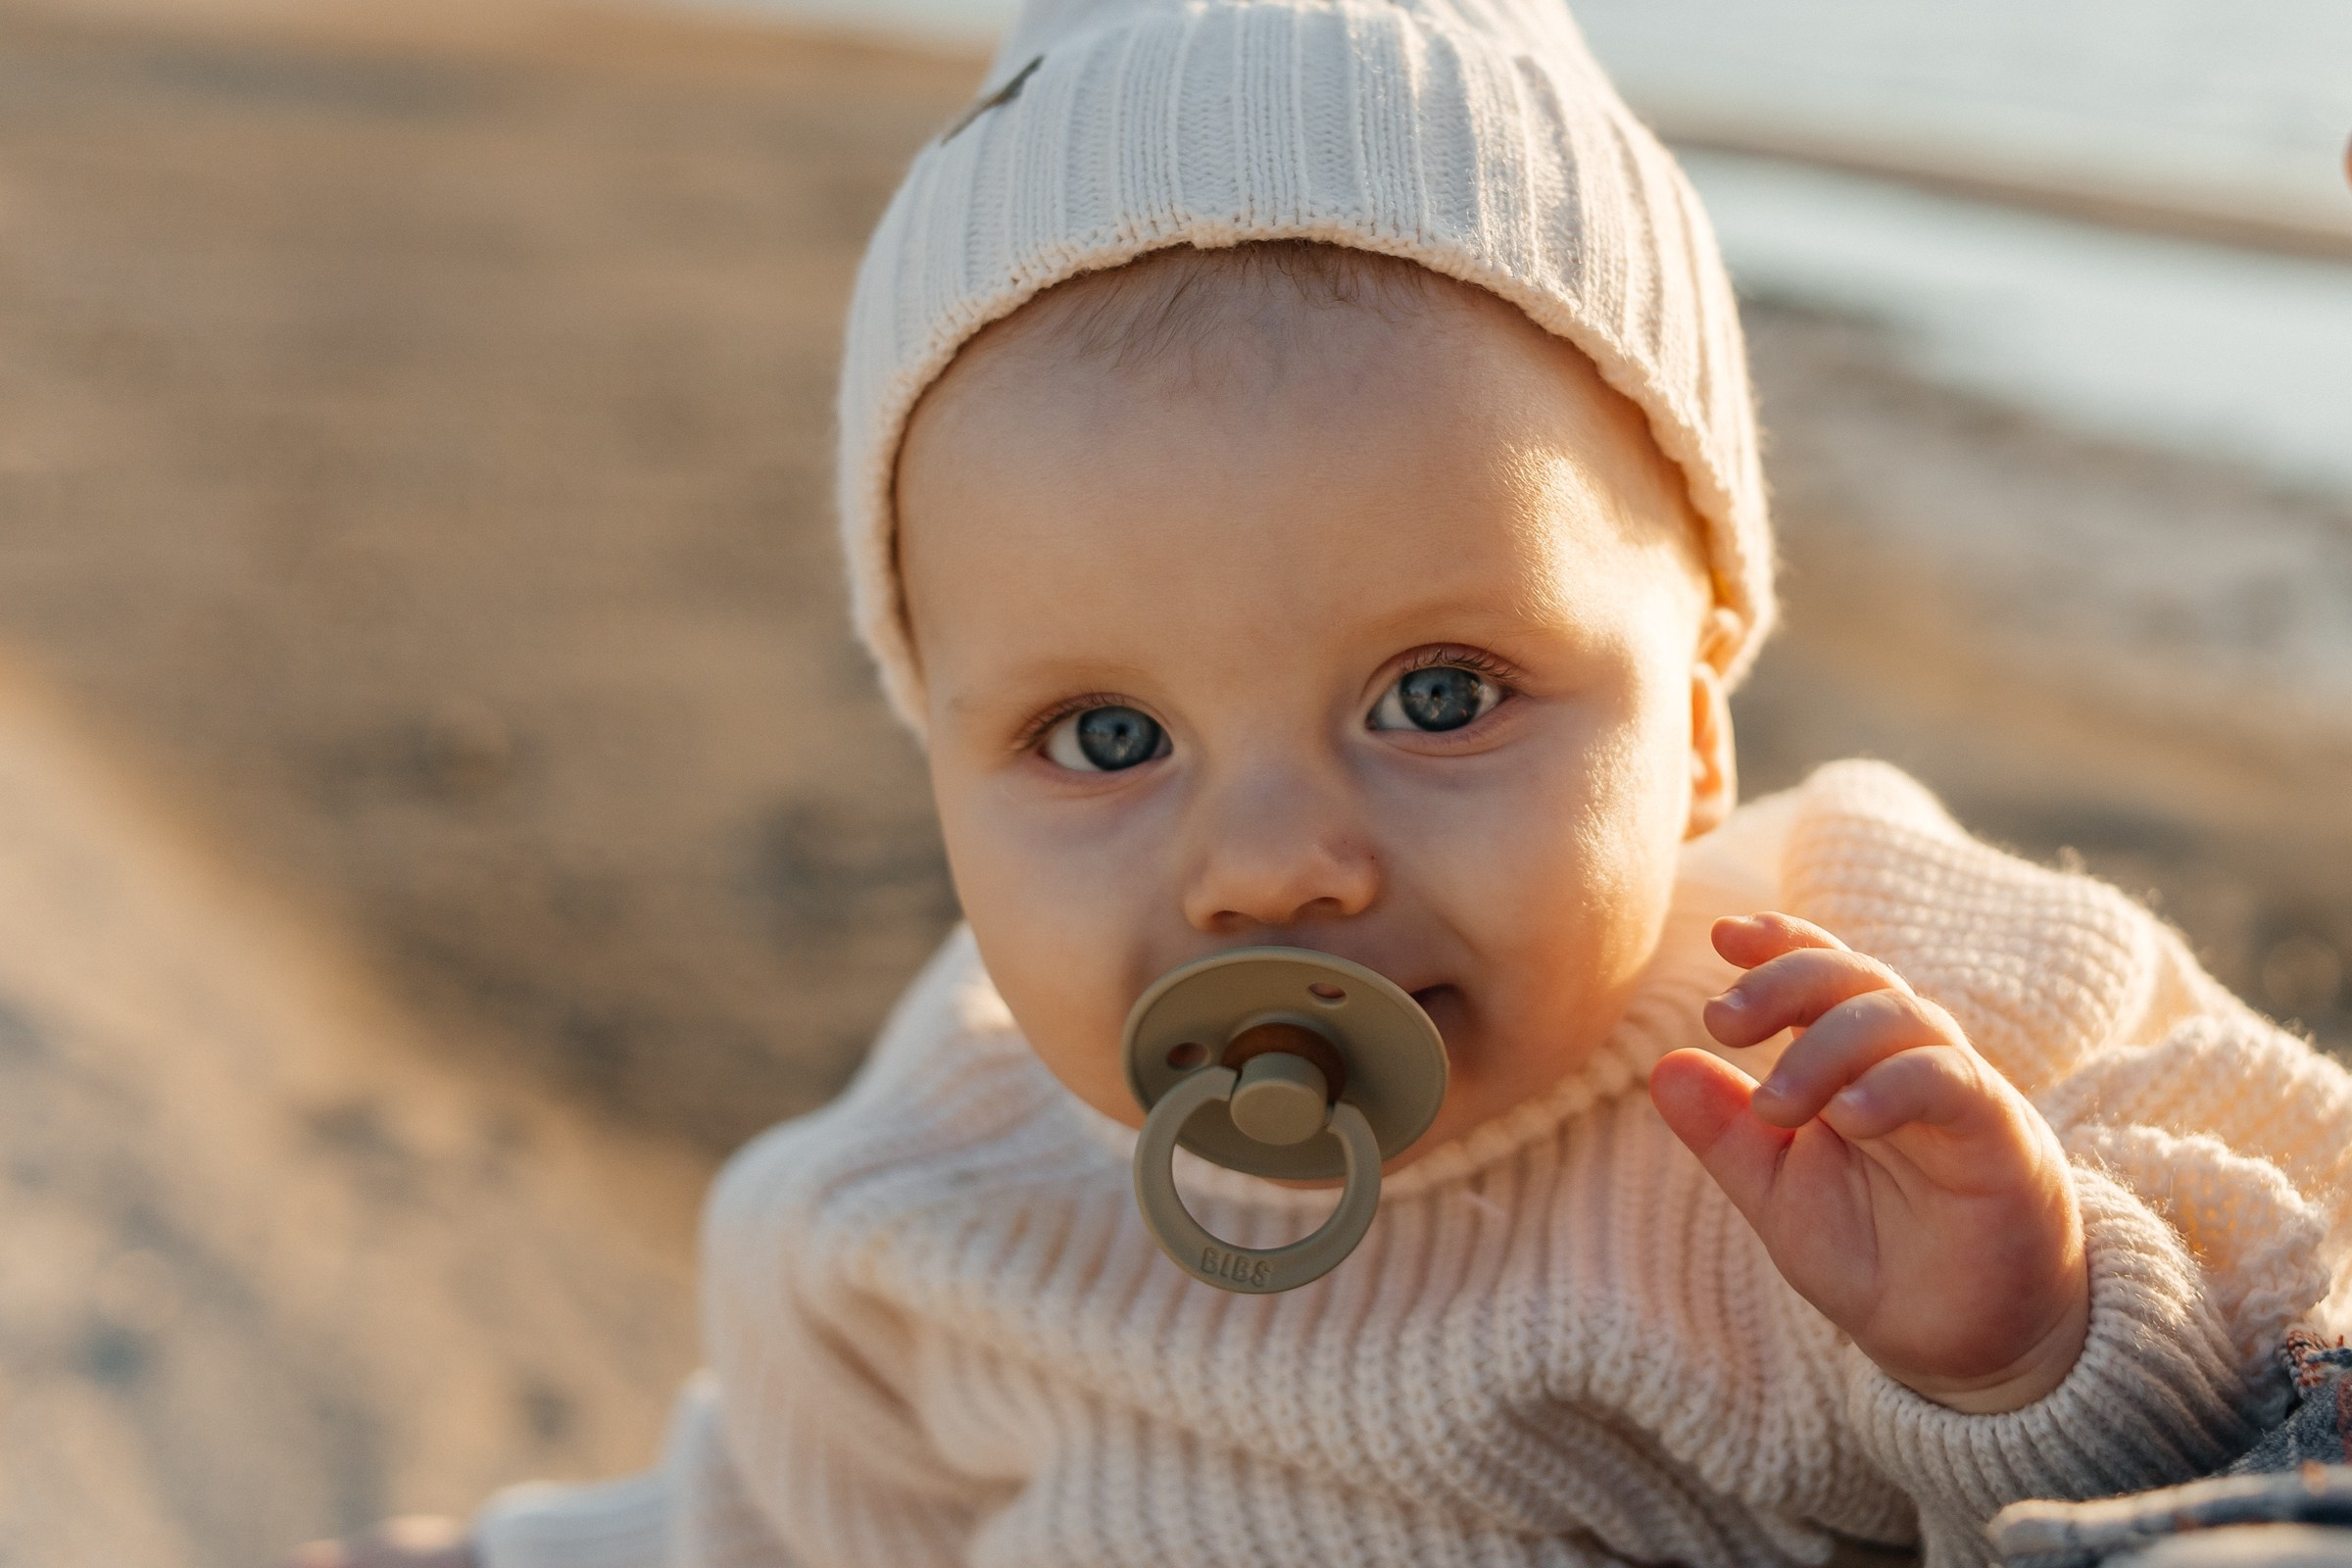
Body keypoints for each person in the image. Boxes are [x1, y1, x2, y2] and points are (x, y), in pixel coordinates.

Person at [293, 0, 2352, 1564]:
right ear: (934, 749)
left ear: (1702, 708)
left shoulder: (1877, 1024)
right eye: (1106, 736)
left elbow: (2287, 1376)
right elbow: (760, 1517)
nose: (1272, 865)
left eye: (1441, 690)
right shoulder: (912, 1191)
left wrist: (2031, 1333)